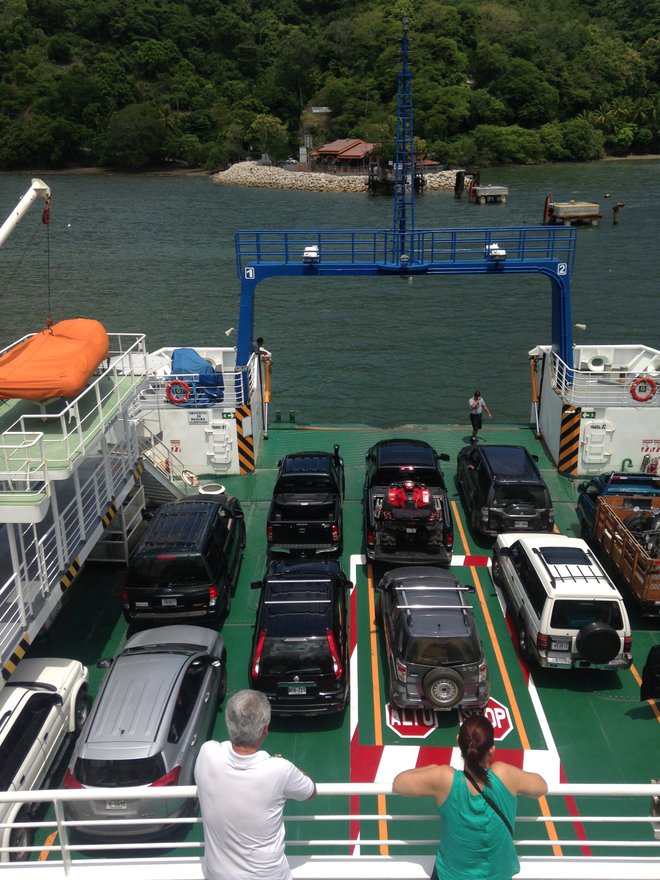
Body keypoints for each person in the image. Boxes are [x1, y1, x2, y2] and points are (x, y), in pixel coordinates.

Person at [392, 714, 547, 880]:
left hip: (452, 875)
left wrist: (433, 768)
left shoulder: (445, 778)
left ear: (459, 741)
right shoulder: (505, 774)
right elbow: (541, 787)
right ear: (492, 749)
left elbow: (399, 783)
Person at [194, 689, 316, 880]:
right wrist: (283, 763)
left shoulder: (207, 753)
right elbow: (310, 791)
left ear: (229, 723)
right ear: (265, 728)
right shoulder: (280, 769)